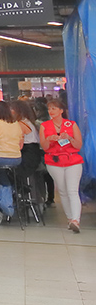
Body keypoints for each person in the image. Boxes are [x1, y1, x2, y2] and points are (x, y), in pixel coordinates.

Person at [40, 98, 84, 233]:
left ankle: (76, 220)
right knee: (63, 191)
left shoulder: (71, 125)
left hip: (72, 160)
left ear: (61, 110)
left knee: (72, 190)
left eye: (53, 108)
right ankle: (70, 218)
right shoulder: (44, 126)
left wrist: (69, 138)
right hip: (54, 161)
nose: (51, 111)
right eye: (49, 109)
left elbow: (78, 145)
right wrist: (49, 139)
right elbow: (44, 147)